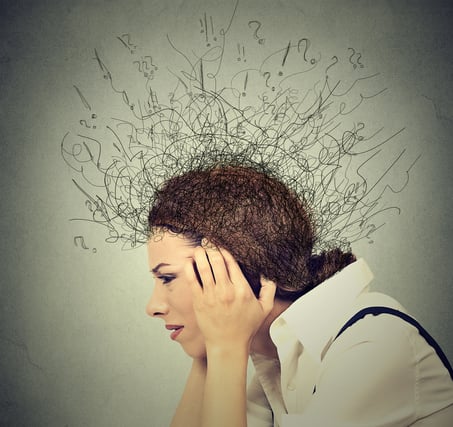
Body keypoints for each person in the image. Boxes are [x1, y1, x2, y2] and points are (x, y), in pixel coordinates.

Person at [145, 164, 453, 427]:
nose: (153, 307)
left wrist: (224, 349)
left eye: (168, 278)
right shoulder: (279, 360)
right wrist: (209, 353)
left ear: (234, 271)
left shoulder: (373, 344)